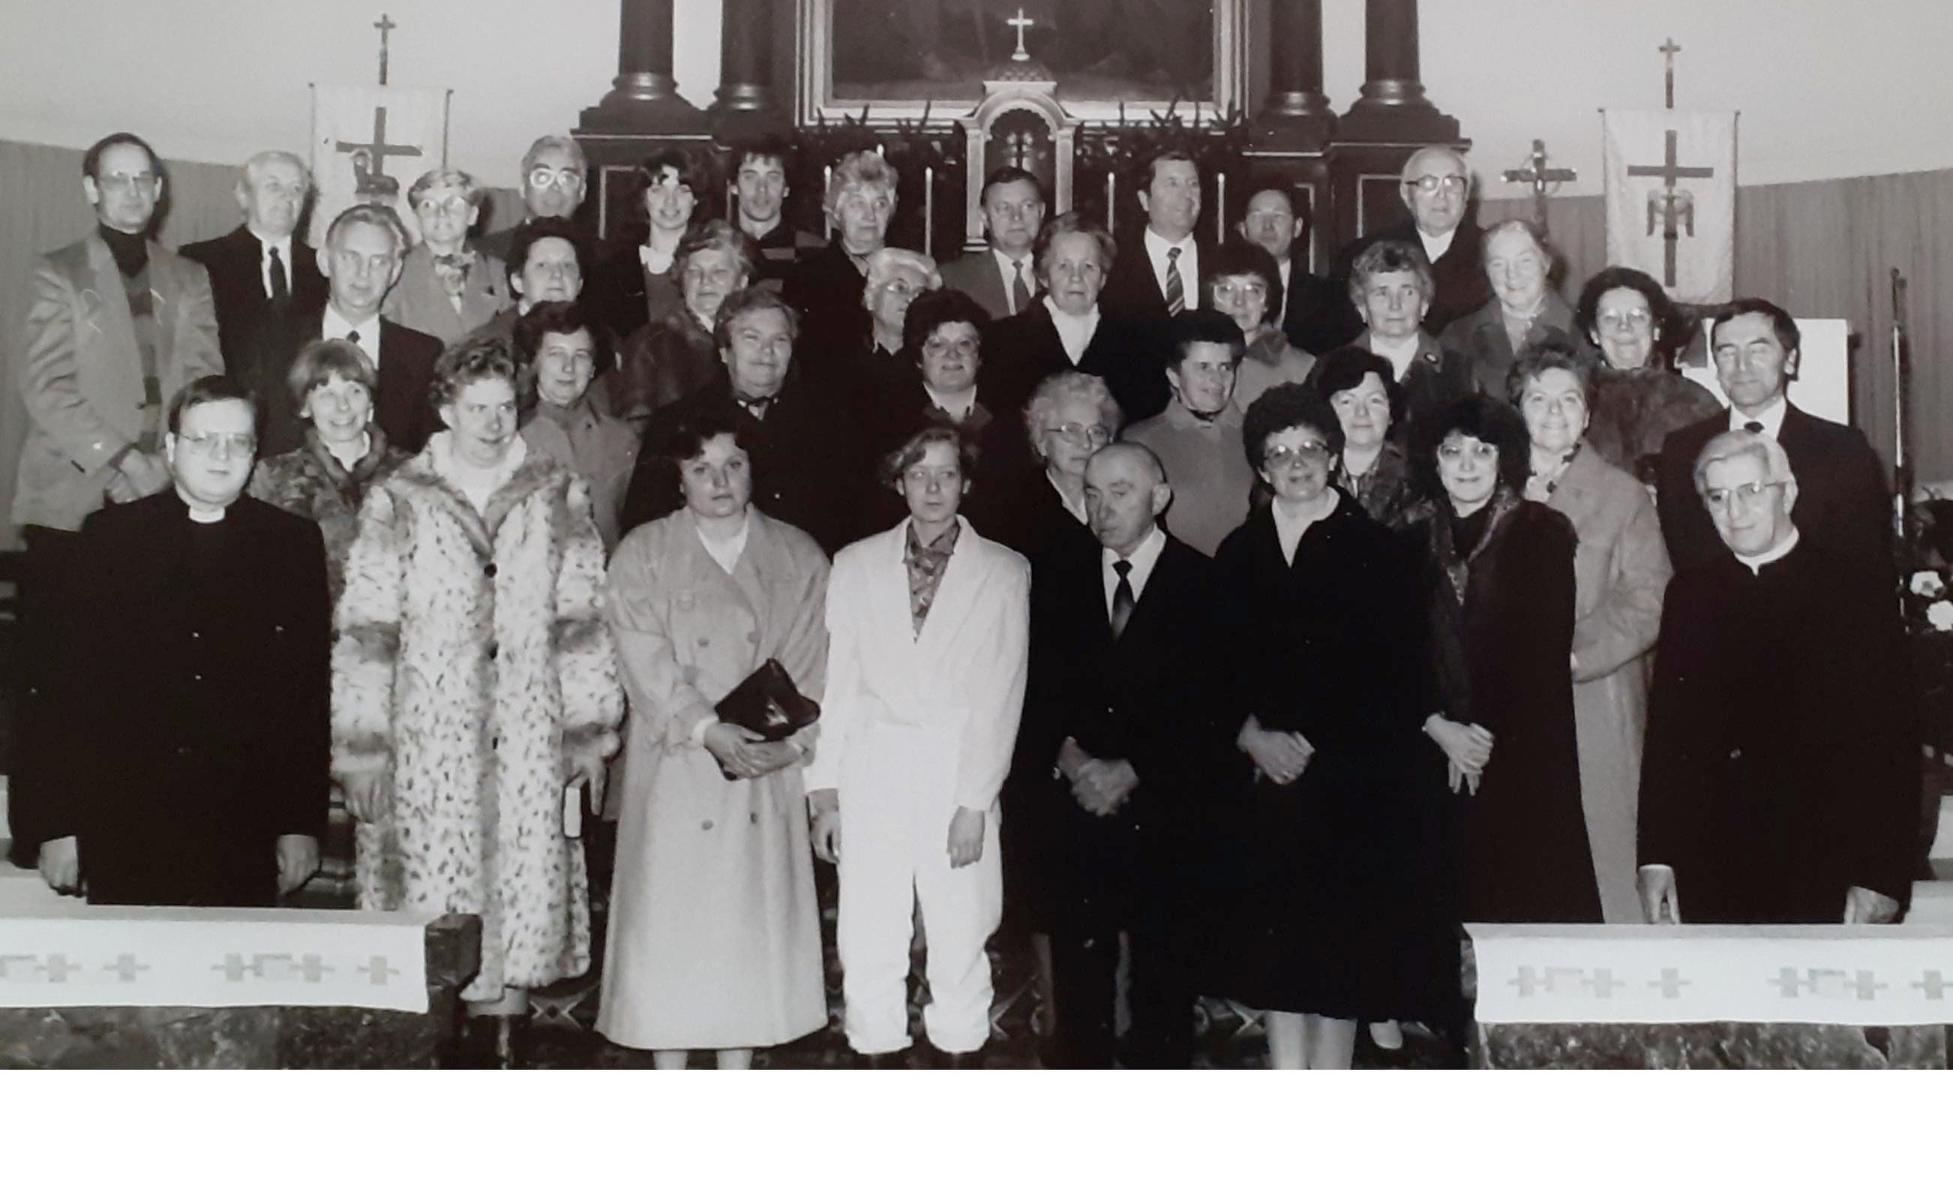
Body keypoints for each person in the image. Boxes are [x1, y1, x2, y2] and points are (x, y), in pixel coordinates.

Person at [332, 335, 624, 1065]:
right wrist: (362, 747)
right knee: (428, 916)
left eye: (504, 407)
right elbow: (367, 631)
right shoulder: (399, 496)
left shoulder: (557, 492)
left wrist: (588, 734)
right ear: (444, 407)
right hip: (427, 742)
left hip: (528, 739)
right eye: (476, 408)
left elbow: (582, 624)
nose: (493, 424)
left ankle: (503, 1065)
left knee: (519, 925)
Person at [1206, 386, 1445, 1069]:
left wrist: (1314, 740)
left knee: (1340, 959)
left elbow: (1398, 671)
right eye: (1277, 453)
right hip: (1264, 780)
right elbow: (1213, 665)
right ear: (1259, 468)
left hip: (1349, 783)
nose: (1296, 463)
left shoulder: (1380, 549)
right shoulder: (1238, 551)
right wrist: (1251, 735)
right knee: (1276, 953)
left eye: (1310, 448)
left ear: (1334, 456)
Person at [10, 131, 223, 864]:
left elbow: (202, 380)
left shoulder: (188, 276)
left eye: (145, 180)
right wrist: (119, 461)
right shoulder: (57, 272)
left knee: (140, 678)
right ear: (91, 189)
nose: (133, 192)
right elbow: (45, 386)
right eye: (117, 179)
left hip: (160, 492)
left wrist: (169, 465)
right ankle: (47, 834)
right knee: (59, 674)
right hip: (73, 500)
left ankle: (128, 828)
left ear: (158, 190)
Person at [36, 377, 327, 907]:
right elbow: (63, 694)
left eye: (237, 441)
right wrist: (58, 825)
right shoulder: (108, 540)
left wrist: (298, 823)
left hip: (243, 826)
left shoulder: (290, 546)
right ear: (171, 449)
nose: (221, 455)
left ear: (254, 453)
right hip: (127, 823)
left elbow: (305, 700)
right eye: (202, 440)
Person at [598, 411, 831, 1069]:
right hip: (677, 766)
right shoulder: (643, 552)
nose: (719, 480)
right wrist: (706, 727)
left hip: (763, 768)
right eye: (700, 468)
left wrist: (785, 745)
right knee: (671, 933)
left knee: (742, 939)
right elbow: (640, 656)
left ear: (753, 467)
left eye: (732, 464)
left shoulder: (797, 553)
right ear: (678, 479)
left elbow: (813, 657)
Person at [806, 425, 1030, 1067]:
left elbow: (1001, 691)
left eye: (948, 474)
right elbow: (839, 680)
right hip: (871, 769)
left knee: (960, 930)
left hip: (955, 770)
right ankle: (876, 1055)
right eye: (919, 473)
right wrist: (824, 791)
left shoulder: (1004, 571)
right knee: (869, 930)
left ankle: (958, 1054)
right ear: (898, 481)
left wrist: (973, 802)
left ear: (967, 483)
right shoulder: (854, 564)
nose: (933, 488)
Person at [1638, 431, 1916, 925]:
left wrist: (1880, 874)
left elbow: (1889, 742)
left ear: (1787, 493)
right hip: (1713, 862)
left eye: (1751, 491)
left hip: (1826, 861)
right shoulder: (1691, 594)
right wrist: (1657, 856)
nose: (1735, 511)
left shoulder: (1853, 589)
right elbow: (1669, 736)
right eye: (1718, 497)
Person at [1015, 442, 1216, 1068]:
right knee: (1080, 985)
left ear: (1160, 498)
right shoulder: (1053, 576)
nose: (1102, 508)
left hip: (1164, 808)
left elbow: (1214, 704)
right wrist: (1074, 764)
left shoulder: (1205, 582)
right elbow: (1032, 689)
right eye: (1092, 494)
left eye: (1120, 492)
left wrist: (1133, 770)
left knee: (1164, 983)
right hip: (1076, 808)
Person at [1404, 395, 1599, 923]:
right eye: (1453, 452)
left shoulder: (1543, 533)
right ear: (1433, 459)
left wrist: (1479, 739)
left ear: (1504, 459)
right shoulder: (1402, 537)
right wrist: (1441, 728)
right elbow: (1392, 651)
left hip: (1519, 749)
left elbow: (1542, 654)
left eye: (1482, 452)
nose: (1466, 466)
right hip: (1429, 745)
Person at [1510, 338, 1672, 924]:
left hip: (1593, 696)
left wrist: (1571, 659)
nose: (1553, 413)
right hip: (1510, 702)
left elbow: (1648, 596)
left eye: (1568, 399)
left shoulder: (1622, 495)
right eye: (1538, 399)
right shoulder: (1493, 489)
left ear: (1586, 413)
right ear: (1518, 409)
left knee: (1605, 850)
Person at [1654, 298, 1893, 578]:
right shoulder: (1682, 450)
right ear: (1716, 366)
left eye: (1758, 350)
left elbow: (1866, 566)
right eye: (1727, 352)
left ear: (1790, 361)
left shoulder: (1844, 450)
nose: (1742, 366)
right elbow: (1685, 560)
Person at [621, 287, 852, 551]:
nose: (767, 352)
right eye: (752, 338)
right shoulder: (675, 423)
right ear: (723, 351)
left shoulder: (829, 422)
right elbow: (644, 526)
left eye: (780, 341)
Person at [251, 203, 442, 457]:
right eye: (351, 257)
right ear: (324, 262)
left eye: (378, 261)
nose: (363, 273)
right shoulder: (274, 342)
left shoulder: (423, 356)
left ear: (395, 272)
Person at [984, 212, 1153, 421]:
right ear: (1044, 276)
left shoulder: (1136, 342)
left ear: (1102, 279)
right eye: (1063, 266)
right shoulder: (1003, 339)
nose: (1076, 278)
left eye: (1088, 267)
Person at [181, 149, 326, 378]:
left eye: (296, 189)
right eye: (273, 186)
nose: (287, 198)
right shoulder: (201, 261)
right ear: (243, 195)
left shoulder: (323, 268)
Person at [1122, 309, 1254, 557]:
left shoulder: (1255, 433)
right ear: (1173, 375)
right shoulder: (1141, 441)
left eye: (1225, 367)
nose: (1217, 379)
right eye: (1203, 367)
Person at [1572, 266, 1721, 485]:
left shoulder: (1696, 403)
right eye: (1610, 318)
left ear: (1656, 329)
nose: (1625, 327)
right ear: (1594, 333)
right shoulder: (1574, 398)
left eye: (1637, 316)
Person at [1326, 145, 1491, 342]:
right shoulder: (1361, 254)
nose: (1441, 194)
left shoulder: (1492, 253)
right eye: (1428, 183)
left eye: (1452, 183)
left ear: (1466, 194)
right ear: (1406, 193)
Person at [514, 301, 638, 552]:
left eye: (580, 356)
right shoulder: (513, 439)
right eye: (555, 354)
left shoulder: (622, 440)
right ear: (534, 363)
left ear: (593, 369)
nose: (568, 368)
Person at [612, 220, 755, 429]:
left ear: (742, 281)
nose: (706, 281)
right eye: (695, 272)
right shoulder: (651, 344)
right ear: (681, 279)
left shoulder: (758, 339)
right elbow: (635, 429)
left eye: (719, 272)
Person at [1438, 220, 1581, 401]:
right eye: (1498, 264)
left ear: (1546, 263)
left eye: (1524, 261)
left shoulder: (1581, 331)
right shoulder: (1458, 336)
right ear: (1486, 271)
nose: (1512, 274)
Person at [1344, 239, 1472, 440]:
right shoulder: (1333, 370)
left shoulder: (1459, 372)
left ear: (1424, 305)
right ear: (1361, 307)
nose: (1395, 305)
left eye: (1407, 292)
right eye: (1381, 293)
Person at [783, 150, 897, 373]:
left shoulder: (909, 271)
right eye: (857, 204)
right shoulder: (806, 278)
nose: (870, 216)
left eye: (880, 204)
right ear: (836, 212)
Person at [596, 147, 715, 341]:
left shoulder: (713, 264)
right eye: (658, 190)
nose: (670, 201)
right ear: (644, 198)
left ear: (696, 200)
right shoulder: (613, 268)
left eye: (682, 190)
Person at [384, 168, 511, 344]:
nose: (441, 213)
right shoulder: (395, 272)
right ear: (416, 216)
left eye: (454, 204)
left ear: (472, 215)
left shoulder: (497, 272)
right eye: (428, 205)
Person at [1204, 240, 1314, 418]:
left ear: (1268, 301)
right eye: (1226, 289)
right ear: (1210, 298)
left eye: (1252, 290)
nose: (1239, 302)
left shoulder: (1303, 368)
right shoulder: (1188, 361)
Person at [1313, 347, 1418, 529]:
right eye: (1347, 401)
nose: (1361, 412)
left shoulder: (1418, 481)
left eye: (1374, 400)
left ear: (1391, 412)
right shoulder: (1303, 473)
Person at [1236, 185, 1342, 354]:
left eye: (1278, 216)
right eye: (1257, 216)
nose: (1268, 226)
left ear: (1297, 227)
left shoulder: (1328, 296)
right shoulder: (1222, 293)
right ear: (1243, 229)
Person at [1103, 147, 1203, 326]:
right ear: (1144, 200)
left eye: (1193, 184)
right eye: (1173, 184)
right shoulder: (1115, 263)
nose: (1187, 194)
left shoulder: (1222, 262)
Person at [940, 166, 1047, 319]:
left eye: (1027, 206)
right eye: (1004, 208)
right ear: (984, 217)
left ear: (1041, 211)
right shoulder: (952, 280)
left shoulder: (1063, 273)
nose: (1016, 217)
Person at [480, 215, 597, 344]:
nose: (557, 274)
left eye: (567, 266)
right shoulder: (491, 342)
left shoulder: (598, 340)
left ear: (580, 283)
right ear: (517, 282)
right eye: (542, 266)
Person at [729, 134, 823, 289]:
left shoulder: (814, 252)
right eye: (750, 177)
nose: (761, 189)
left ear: (786, 188)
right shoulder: (717, 246)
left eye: (773, 177)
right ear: (733, 186)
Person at [476, 134, 588, 262]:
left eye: (567, 179)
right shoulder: (485, 254)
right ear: (523, 188)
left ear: (582, 192)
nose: (554, 187)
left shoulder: (606, 259)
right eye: (542, 177)